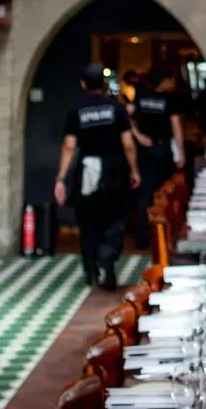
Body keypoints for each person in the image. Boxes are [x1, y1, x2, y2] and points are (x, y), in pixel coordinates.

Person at [54, 63, 141, 290]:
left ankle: (90, 269)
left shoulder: (76, 112)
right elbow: (128, 144)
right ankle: (108, 260)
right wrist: (134, 170)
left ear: (83, 84)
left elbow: (69, 147)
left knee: (88, 221)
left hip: (86, 173)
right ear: (103, 85)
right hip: (114, 171)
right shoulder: (116, 109)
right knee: (115, 218)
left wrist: (61, 178)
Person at [130, 66, 185, 241]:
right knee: (164, 193)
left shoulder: (141, 96)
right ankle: (163, 235)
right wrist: (181, 153)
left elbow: (126, 118)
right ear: (165, 80)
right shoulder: (170, 99)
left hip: (144, 150)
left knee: (145, 193)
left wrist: (138, 137)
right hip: (162, 149)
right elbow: (176, 127)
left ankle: (144, 235)